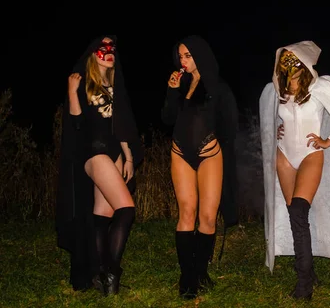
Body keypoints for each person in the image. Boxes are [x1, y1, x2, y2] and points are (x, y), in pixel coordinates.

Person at [259, 40, 330, 300]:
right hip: (284, 155)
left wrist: (328, 140)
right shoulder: (277, 90)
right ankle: (309, 272)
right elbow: (272, 119)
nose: (290, 67)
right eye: (285, 62)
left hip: (310, 155)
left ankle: (304, 282)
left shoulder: (320, 88)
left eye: (295, 61)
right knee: (295, 218)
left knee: (298, 210)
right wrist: (276, 130)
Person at [56, 35, 143, 296]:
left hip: (115, 152)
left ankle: (97, 272)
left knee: (103, 215)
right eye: (103, 49)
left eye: (112, 48)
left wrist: (128, 157)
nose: (109, 52)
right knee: (126, 209)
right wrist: (72, 93)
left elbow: (124, 125)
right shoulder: (85, 82)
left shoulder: (117, 85)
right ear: (94, 55)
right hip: (94, 153)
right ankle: (111, 272)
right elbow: (77, 124)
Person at [161, 35, 239, 299]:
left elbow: (230, 125)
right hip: (180, 152)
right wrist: (172, 91)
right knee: (187, 211)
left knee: (207, 216)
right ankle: (187, 276)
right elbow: (168, 118)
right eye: (180, 56)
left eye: (188, 55)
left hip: (209, 153)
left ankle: (200, 271)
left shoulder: (218, 86)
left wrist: (220, 146)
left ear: (199, 55)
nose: (183, 60)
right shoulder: (180, 84)